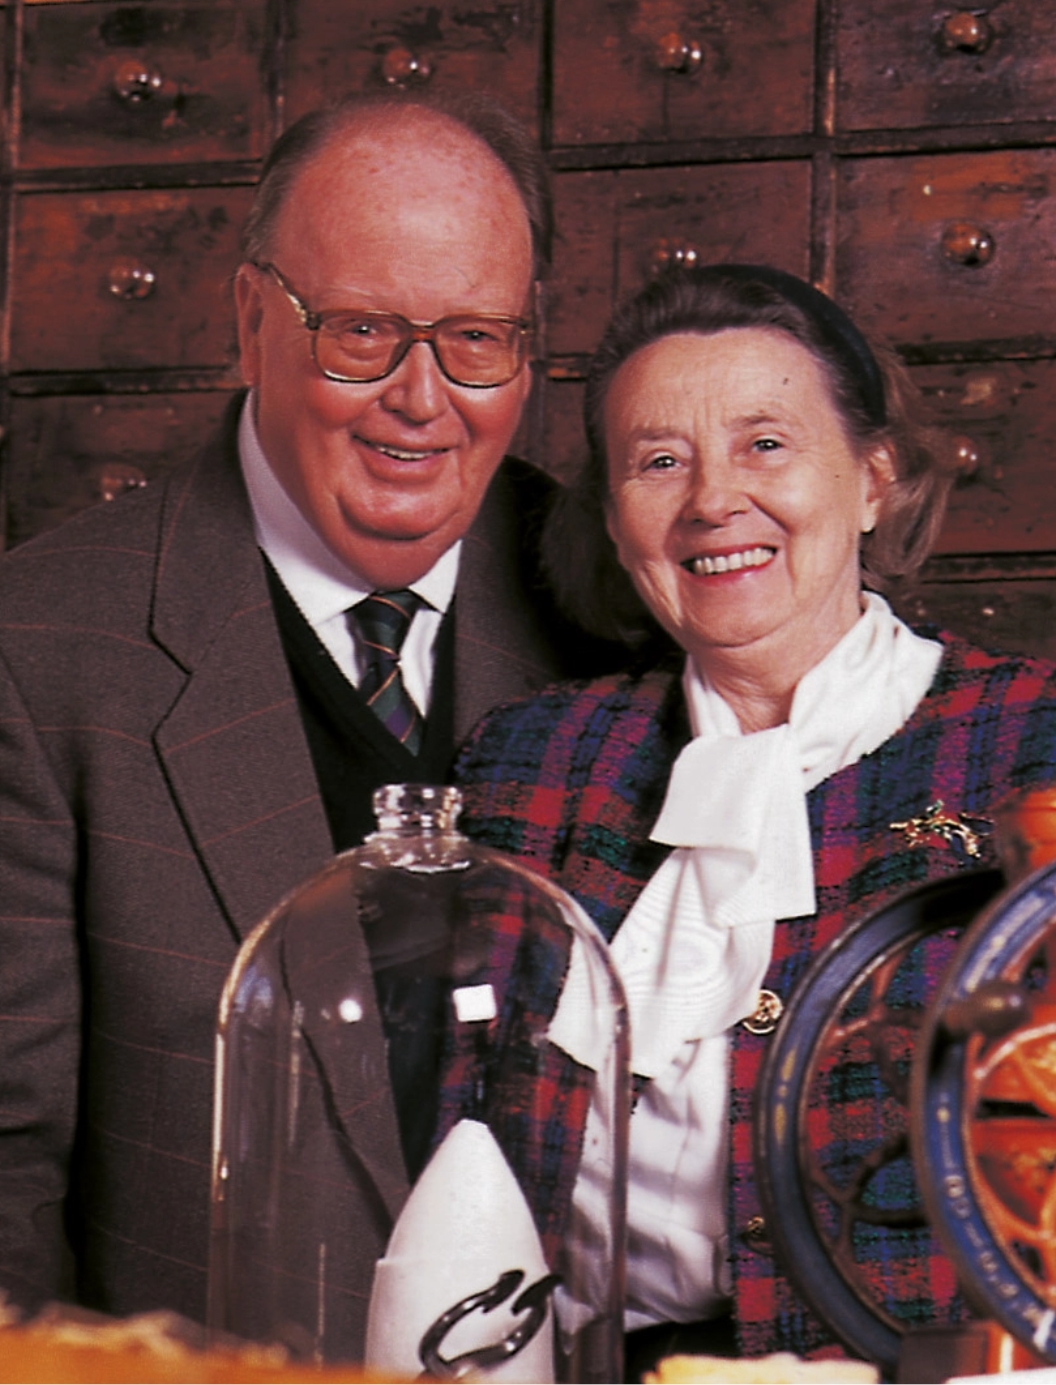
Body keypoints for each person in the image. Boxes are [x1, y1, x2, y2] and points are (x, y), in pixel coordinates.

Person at [451, 263, 1056, 1369]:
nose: (713, 500)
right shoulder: (529, 765)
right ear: (617, 523)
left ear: (872, 479)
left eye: (765, 444)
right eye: (659, 461)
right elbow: (437, 1144)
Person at [0, 90, 619, 1346]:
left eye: (476, 341)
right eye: (361, 332)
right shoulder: (40, 648)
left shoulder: (614, 601)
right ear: (249, 322)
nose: (420, 398)